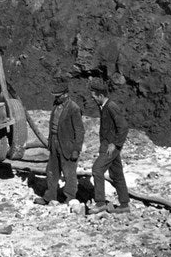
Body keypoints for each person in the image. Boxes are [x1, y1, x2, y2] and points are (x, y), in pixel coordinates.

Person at [34, 78, 84, 206]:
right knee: (51, 170)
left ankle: (70, 199)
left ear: (66, 94)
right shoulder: (56, 106)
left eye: (58, 96)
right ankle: (50, 197)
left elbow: (79, 131)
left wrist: (76, 150)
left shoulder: (74, 108)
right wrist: (51, 143)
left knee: (69, 173)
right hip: (55, 142)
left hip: (67, 145)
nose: (56, 98)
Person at [88, 77, 130, 215]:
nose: (92, 98)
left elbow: (123, 127)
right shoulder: (104, 106)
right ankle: (124, 205)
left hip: (110, 147)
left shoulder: (111, 107)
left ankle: (100, 204)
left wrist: (115, 144)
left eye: (94, 96)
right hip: (109, 146)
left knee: (97, 170)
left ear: (101, 95)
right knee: (117, 174)